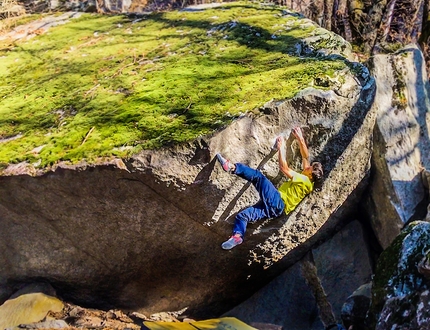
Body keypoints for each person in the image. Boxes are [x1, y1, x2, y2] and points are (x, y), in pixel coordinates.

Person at [216, 127, 323, 250]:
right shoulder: (309, 182)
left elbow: (284, 169)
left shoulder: (304, 180)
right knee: (243, 216)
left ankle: (231, 167)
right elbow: (305, 157)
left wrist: (281, 148)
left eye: (309, 168)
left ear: (310, 174)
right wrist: (300, 139)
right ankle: (237, 236)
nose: (307, 166)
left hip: (278, 201)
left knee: (258, 177)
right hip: (277, 211)